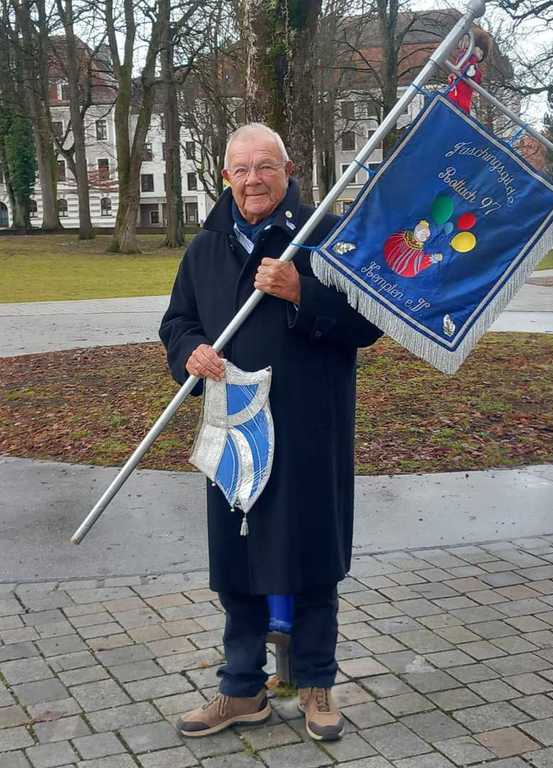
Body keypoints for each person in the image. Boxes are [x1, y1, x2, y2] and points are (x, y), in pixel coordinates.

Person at [159, 123, 380, 742]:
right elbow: (177, 321)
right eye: (241, 169)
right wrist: (190, 351)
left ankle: (315, 684)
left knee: (311, 557)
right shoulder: (205, 247)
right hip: (235, 430)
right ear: (225, 176)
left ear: (288, 171)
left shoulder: (324, 235)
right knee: (238, 561)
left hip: (309, 428)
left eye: (265, 166)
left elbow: (368, 323)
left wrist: (300, 291)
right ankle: (242, 689)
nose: (253, 179)